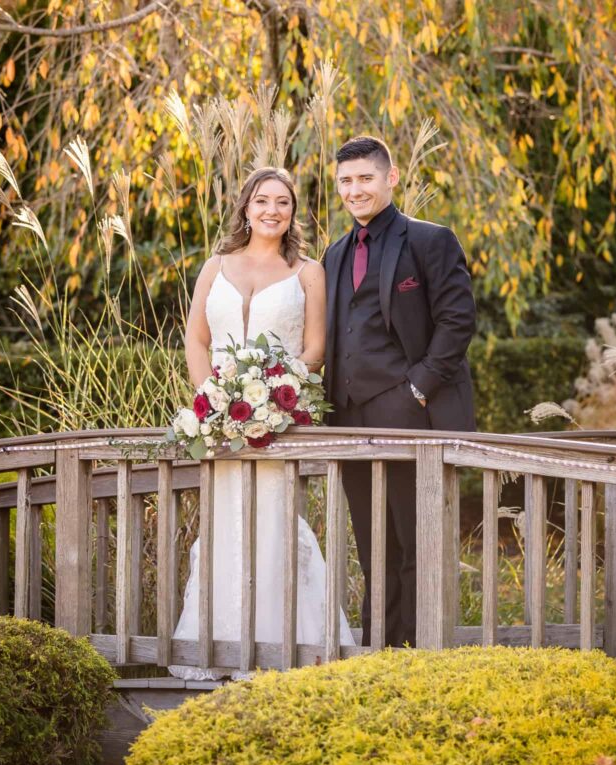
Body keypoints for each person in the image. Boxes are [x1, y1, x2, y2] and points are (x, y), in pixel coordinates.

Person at [171, 166, 355, 681]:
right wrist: (212, 398)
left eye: (283, 203)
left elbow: (315, 348)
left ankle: (286, 649)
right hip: (220, 428)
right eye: (262, 201)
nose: (272, 210)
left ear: (293, 213)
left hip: (279, 423)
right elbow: (197, 339)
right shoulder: (215, 266)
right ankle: (219, 647)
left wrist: (278, 397)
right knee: (224, 527)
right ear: (246, 208)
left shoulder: (308, 272)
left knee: (274, 526)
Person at [323, 136, 476, 648]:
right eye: (345, 180)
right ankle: (378, 653)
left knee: (416, 543)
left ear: (390, 178)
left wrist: (419, 388)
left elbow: (458, 321)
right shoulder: (335, 253)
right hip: (348, 418)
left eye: (365, 178)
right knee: (373, 547)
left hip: (411, 413)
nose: (355, 189)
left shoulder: (430, 240)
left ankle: (419, 657)